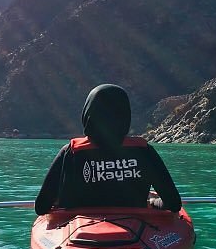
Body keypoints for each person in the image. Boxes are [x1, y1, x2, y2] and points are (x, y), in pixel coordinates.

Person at [34, 84, 182, 215]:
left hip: (78, 233)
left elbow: (41, 207)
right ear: (125, 116)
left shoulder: (71, 152)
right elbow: (174, 203)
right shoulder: (144, 150)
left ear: (88, 114)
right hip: (137, 229)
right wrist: (154, 202)